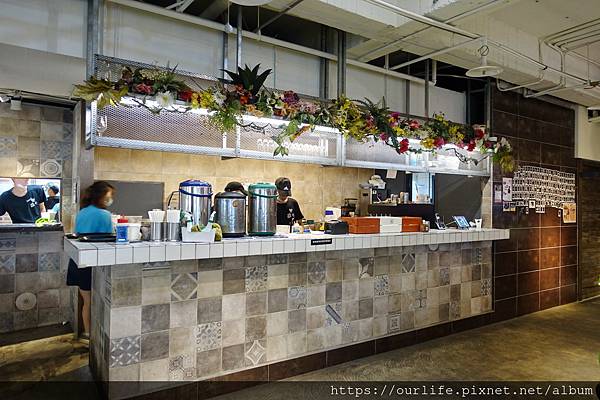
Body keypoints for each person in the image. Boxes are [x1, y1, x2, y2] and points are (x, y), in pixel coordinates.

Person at [66, 181, 115, 339]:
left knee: (87, 301)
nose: (110, 199)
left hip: (79, 261)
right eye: (109, 196)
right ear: (101, 196)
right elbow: (110, 239)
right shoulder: (104, 215)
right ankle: (95, 338)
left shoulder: (82, 212)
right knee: (94, 302)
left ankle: (88, 334)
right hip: (93, 263)